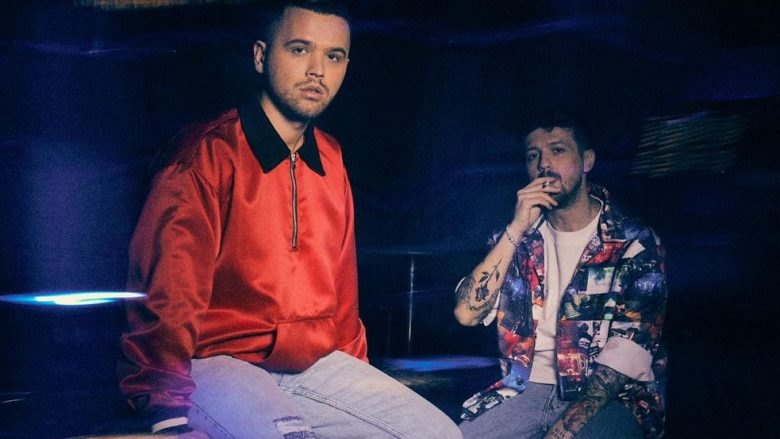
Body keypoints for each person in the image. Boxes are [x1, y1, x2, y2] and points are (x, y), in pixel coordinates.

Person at [119, 2, 462, 438]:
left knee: (440, 434)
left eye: (334, 56)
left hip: (311, 367)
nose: (317, 70)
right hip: (215, 363)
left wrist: (356, 384)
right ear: (261, 56)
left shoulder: (331, 158)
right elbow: (168, 298)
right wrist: (166, 413)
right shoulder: (207, 155)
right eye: (300, 49)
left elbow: (343, 298)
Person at [454, 113, 667, 439]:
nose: (544, 164)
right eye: (533, 155)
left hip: (611, 397)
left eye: (557, 150)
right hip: (524, 388)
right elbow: (466, 313)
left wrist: (562, 431)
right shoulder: (513, 239)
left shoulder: (635, 243)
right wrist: (516, 228)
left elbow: (625, 357)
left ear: (587, 161)